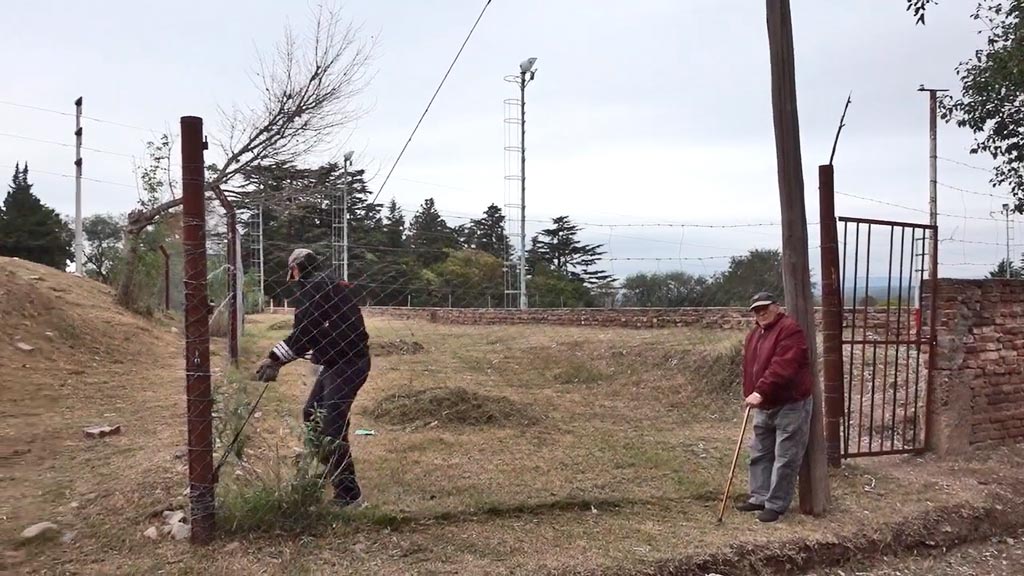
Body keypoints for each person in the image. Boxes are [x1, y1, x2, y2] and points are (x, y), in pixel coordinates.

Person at [255, 248, 371, 507]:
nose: (293, 279)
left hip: (348, 364)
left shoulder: (315, 288)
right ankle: (328, 469)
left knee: (332, 426)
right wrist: (282, 357)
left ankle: (349, 495)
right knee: (312, 413)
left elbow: (305, 331)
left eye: (293, 273)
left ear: (296, 269)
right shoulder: (326, 283)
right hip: (340, 362)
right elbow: (314, 330)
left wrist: (275, 358)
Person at [734, 291, 812, 523]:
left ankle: (776, 504)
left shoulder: (790, 330)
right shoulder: (754, 335)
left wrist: (760, 391)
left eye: (765, 307)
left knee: (786, 456)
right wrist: (751, 391)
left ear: (777, 307)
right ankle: (759, 497)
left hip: (790, 403)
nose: (761, 313)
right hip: (764, 403)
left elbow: (784, 366)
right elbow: (751, 367)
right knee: (760, 452)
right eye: (757, 310)